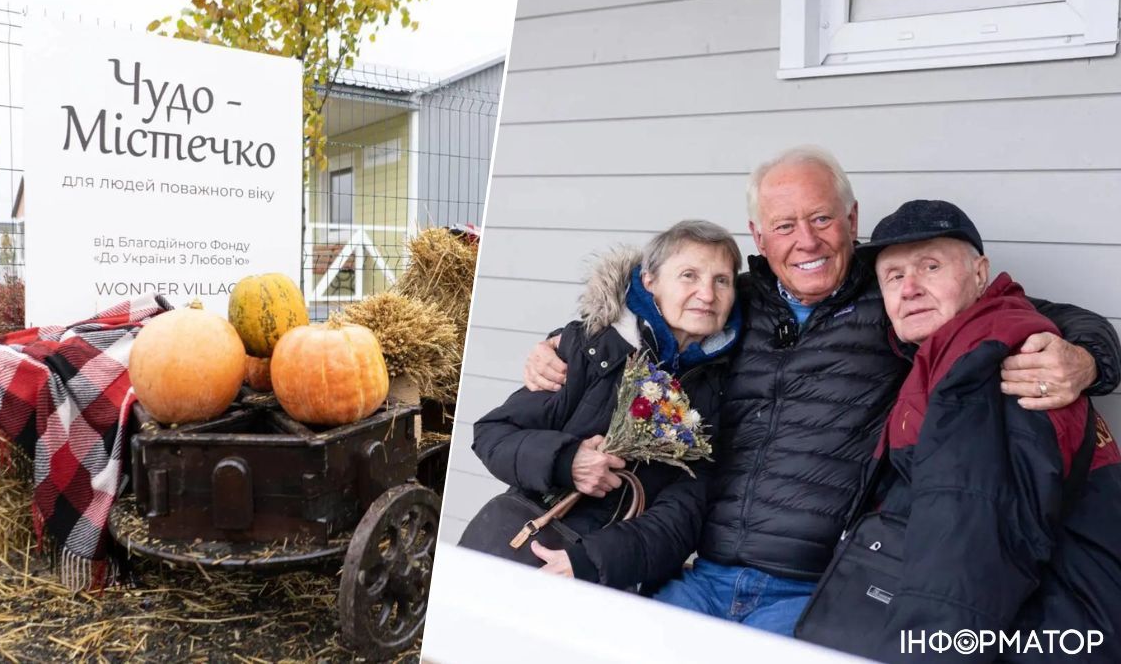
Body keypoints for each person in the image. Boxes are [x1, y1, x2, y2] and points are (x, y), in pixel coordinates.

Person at [521, 146, 1120, 635]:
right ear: (759, 235)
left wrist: (1089, 359)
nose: (805, 241)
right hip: (700, 565)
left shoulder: (894, 296)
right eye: (784, 225)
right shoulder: (732, 303)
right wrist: (559, 345)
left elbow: (1017, 313)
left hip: (815, 584)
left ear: (852, 222)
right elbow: (641, 324)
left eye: (822, 219)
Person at [841, 200, 1121, 662]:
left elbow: (966, 561)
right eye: (893, 276)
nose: (909, 288)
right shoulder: (968, 333)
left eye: (930, 266)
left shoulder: (986, 362)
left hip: (1055, 626)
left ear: (979, 274)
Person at [465, 220, 742, 589]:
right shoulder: (590, 348)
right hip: (525, 546)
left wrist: (589, 562)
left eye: (721, 280)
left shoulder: (721, 388)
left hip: (614, 576)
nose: (707, 294)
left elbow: (683, 515)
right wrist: (567, 461)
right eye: (689, 275)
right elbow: (493, 434)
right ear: (650, 281)